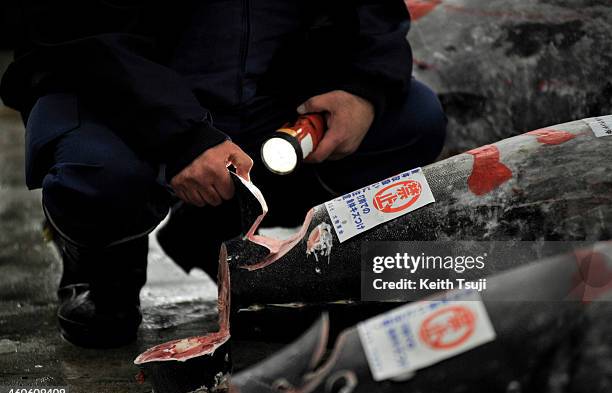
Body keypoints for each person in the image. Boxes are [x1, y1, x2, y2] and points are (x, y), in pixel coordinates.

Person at [0, 0, 447, 348]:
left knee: (414, 120)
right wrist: (181, 138)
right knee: (99, 175)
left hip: (267, 93)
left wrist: (363, 87)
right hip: (114, 90)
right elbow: (70, 30)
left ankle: (244, 241)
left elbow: (374, 13)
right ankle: (102, 270)